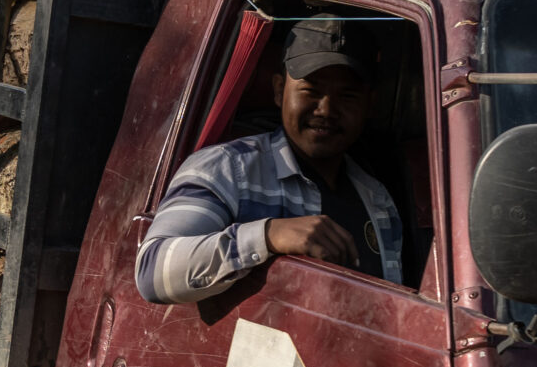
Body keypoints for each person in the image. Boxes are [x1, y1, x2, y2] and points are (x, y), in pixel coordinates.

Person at [137, 16, 407, 304]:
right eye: (311, 91)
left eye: (347, 96)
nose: (326, 109)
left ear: (370, 105)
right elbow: (153, 272)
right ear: (279, 91)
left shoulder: (377, 200)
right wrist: (268, 236)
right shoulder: (228, 169)